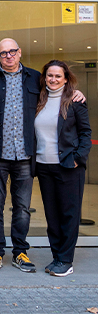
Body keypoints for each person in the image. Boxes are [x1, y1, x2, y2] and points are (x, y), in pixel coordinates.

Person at [0, 38, 85, 274]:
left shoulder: (36, 77)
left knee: (22, 208)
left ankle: (20, 252)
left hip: (26, 156)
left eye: (12, 51)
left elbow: (57, 90)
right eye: (3, 53)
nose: (8, 56)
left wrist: (75, 92)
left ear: (19, 52)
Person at [34, 60, 92, 277]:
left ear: (66, 79)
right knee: (52, 216)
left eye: (58, 76)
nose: (53, 79)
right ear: (44, 77)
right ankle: (57, 257)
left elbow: (85, 134)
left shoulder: (75, 101)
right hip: (44, 167)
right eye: (50, 75)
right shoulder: (39, 99)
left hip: (69, 166)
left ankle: (66, 260)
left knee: (69, 214)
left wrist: (78, 158)